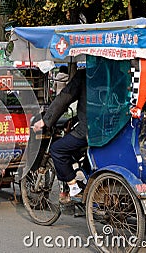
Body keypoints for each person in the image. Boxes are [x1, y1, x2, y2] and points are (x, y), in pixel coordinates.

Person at [33, 69, 87, 204]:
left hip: (90, 130)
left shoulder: (86, 74)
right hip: (115, 129)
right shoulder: (121, 72)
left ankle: (74, 187)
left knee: (57, 149)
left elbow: (65, 98)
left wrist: (46, 120)